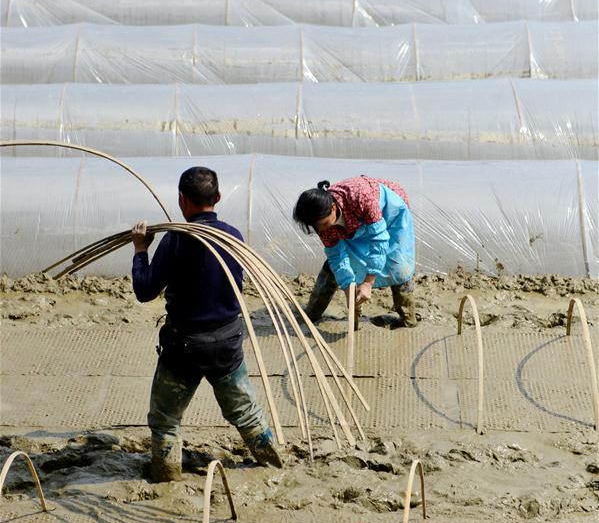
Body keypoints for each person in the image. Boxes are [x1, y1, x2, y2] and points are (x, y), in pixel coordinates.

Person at [131, 166, 283, 482]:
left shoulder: (175, 240)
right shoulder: (233, 237)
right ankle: (272, 465)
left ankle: (167, 475)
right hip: (227, 343)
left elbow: (144, 291)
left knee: (165, 419)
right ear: (218, 197)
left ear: (182, 200)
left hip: (183, 346)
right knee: (246, 412)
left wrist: (141, 250)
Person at [293, 175, 416, 329]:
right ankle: (311, 315)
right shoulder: (321, 223)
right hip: (354, 227)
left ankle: (408, 321)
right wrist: (347, 289)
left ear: (333, 208)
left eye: (324, 224)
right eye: (317, 227)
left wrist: (368, 283)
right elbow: (336, 256)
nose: (322, 230)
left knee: (397, 265)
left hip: (390, 215)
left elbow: (379, 239)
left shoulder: (359, 196)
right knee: (333, 268)